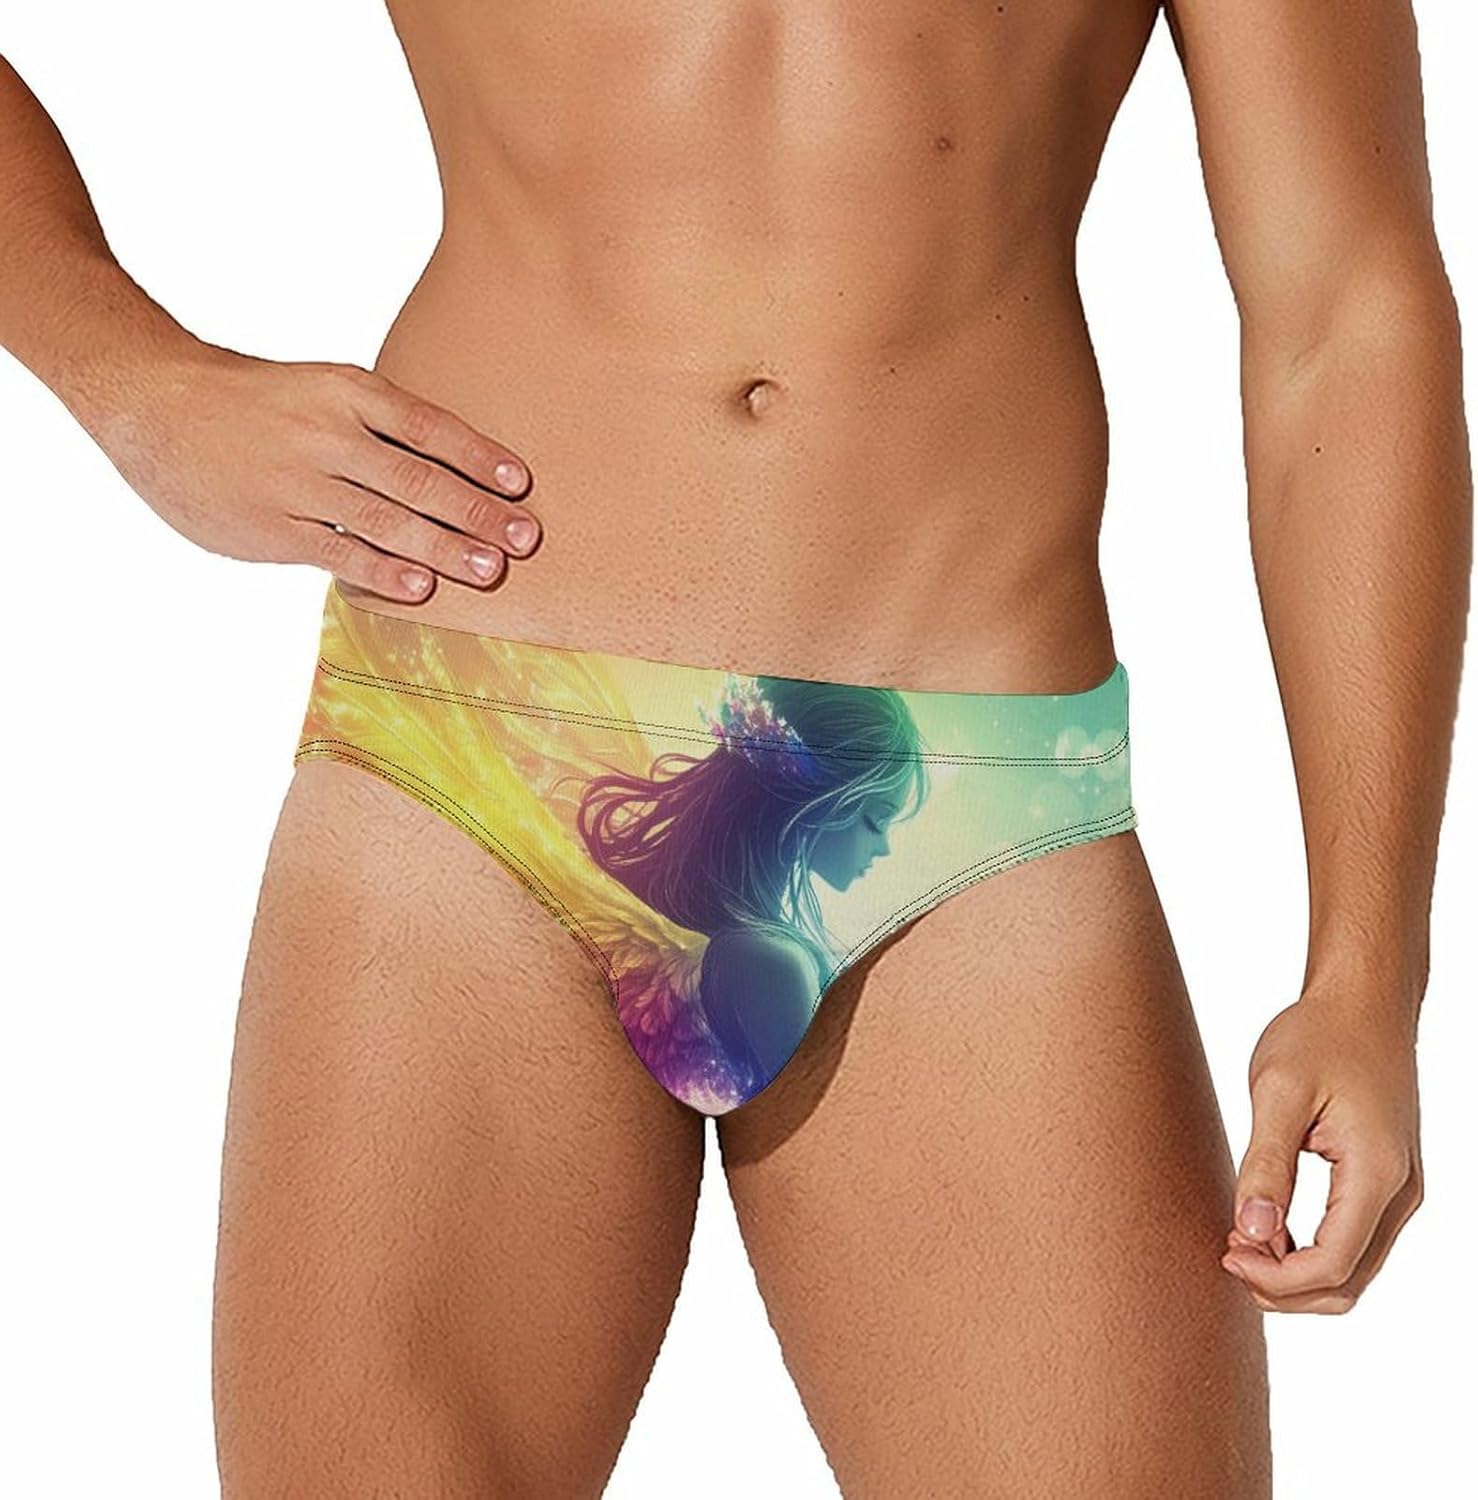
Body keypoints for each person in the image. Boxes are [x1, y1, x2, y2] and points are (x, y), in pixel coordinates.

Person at [0, 0, 1467, 1493]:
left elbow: (1342, 313)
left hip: (965, 793)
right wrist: (133, 379)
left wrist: (1367, 969)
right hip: (471, 753)